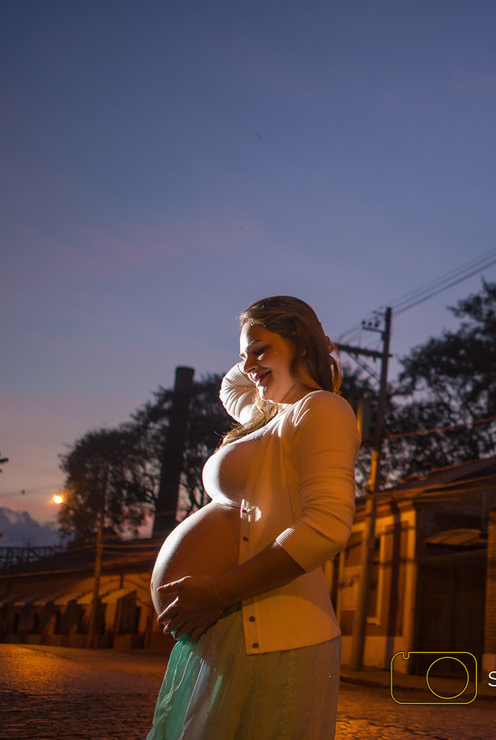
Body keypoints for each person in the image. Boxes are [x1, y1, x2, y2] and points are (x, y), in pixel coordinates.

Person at [147, 296, 359, 740]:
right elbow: (231, 385)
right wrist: (258, 348)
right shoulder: (268, 413)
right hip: (229, 630)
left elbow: (326, 529)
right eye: (245, 354)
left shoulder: (319, 409)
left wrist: (219, 591)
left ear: (299, 343)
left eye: (260, 349)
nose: (248, 365)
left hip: (272, 635)